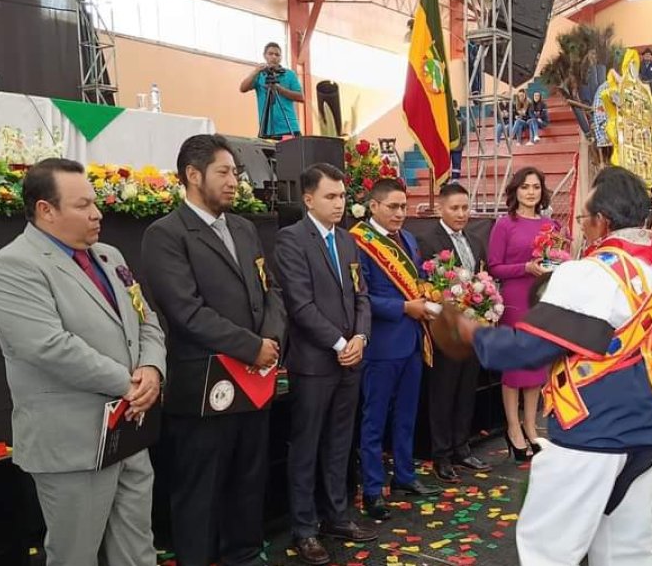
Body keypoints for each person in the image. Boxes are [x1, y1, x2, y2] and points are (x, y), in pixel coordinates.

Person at [442, 166, 652, 566]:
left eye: (583, 218)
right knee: (629, 548)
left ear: (602, 222)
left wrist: (470, 333)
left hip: (592, 431)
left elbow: (529, 348)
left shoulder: (590, 274)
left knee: (549, 548)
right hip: (646, 429)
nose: (581, 227)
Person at [0, 158, 167, 566]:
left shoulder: (108, 255)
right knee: (75, 556)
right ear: (46, 210)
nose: (97, 213)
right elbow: (48, 347)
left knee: (137, 549)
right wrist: (129, 384)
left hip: (128, 434)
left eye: (94, 202)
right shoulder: (14, 265)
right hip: (73, 444)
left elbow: (146, 320)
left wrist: (152, 369)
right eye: (83, 205)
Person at [137, 137, 285, 566]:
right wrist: (251, 346)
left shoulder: (243, 227)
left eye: (236, 173)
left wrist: (271, 340)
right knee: (200, 493)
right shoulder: (165, 234)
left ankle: (243, 555)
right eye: (224, 172)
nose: (234, 182)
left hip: (254, 385)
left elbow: (270, 289)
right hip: (205, 388)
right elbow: (186, 312)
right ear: (193, 175)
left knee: (248, 483)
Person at [275, 163, 376, 563]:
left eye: (343, 196)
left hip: (349, 361)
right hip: (315, 363)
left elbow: (361, 296)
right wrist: (338, 342)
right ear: (308, 198)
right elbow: (299, 304)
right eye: (331, 197)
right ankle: (304, 528)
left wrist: (360, 337)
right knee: (306, 446)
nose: (339, 203)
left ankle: (337, 514)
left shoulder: (348, 241)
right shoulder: (290, 240)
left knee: (339, 443)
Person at [350, 178, 442, 520]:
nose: (401, 213)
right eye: (393, 207)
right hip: (381, 345)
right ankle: (373, 490)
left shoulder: (408, 239)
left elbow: (416, 281)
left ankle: (404, 475)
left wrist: (430, 296)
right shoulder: (359, 242)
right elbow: (360, 297)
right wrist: (404, 308)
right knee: (374, 421)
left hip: (414, 341)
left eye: (404, 206)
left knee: (406, 416)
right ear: (373, 206)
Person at [417, 184, 492, 484]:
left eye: (465, 208)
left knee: (465, 390)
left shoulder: (475, 241)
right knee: (443, 392)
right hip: (444, 330)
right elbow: (424, 285)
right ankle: (441, 454)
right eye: (455, 208)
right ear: (441, 209)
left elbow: (483, 279)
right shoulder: (427, 241)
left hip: (472, 329)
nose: (461, 214)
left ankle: (463, 446)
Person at [488, 167, 556, 461]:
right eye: (526, 187)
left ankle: (531, 425)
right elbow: (494, 266)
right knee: (515, 368)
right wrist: (525, 268)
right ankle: (513, 428)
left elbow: (557, 257)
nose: (531, 192)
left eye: (536, 187)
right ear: (515, 190)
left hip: (542, 300)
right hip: (515, 299)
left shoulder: (551, 225)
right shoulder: (505, 225)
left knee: (536, 367)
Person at [239, 42, 304, 139]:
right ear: (264, 56)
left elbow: (301, 97)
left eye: (277, 55)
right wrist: (256, 71)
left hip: (289, 128)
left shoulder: (290, 74)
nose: (274, 57)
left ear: (281, 58)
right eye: (270, 54)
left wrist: (278, 88)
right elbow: (243, 88)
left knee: (292, 154)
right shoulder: (259, 75)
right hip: (266, 129)